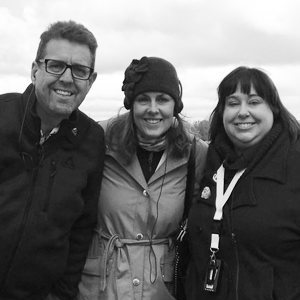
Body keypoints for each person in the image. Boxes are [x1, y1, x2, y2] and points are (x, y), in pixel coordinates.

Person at [78, 56, 208, 300]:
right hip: (100, 287)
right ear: (131, 103)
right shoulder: (99, 139)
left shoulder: (195, 154)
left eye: (162, 99)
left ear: (175, 105)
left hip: (162, 286)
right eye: (142, 99)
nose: (152, 109)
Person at [0, 20, 105, 300]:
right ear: (35, 70)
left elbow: (82, 229)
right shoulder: (1, 116)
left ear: (90, 81)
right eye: (56, 65)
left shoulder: (92, 139)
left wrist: (62, 295)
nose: (68, 79)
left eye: (80, 71)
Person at [186, 66, 300, 300]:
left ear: (274, 109)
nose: (243, 112)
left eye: (254, 102)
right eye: (233, 103)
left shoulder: (294, 163)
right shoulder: (213, 161)